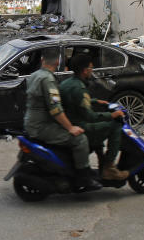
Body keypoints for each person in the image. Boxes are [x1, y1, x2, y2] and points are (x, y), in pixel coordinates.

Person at [24, 47, 101, 188]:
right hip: (42, 126)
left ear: (42, 60)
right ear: (59, 61)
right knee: (80, 139)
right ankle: (83, 178)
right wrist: (70, 128)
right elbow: (55, 110)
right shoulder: (48, 80)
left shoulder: (34, 75)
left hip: (30, 123)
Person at [59, 54, 129, 181]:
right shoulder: (80, 88)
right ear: (85, 70)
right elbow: (90, 116)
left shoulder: (67, 83)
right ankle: (109, 168)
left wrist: (96, 101)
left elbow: (76, 102)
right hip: (80, 126)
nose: (92, 71)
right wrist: (112, 115)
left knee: (101, 129)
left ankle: (102, 160)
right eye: (91, 68)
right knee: (115, 126)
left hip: (69, 122)